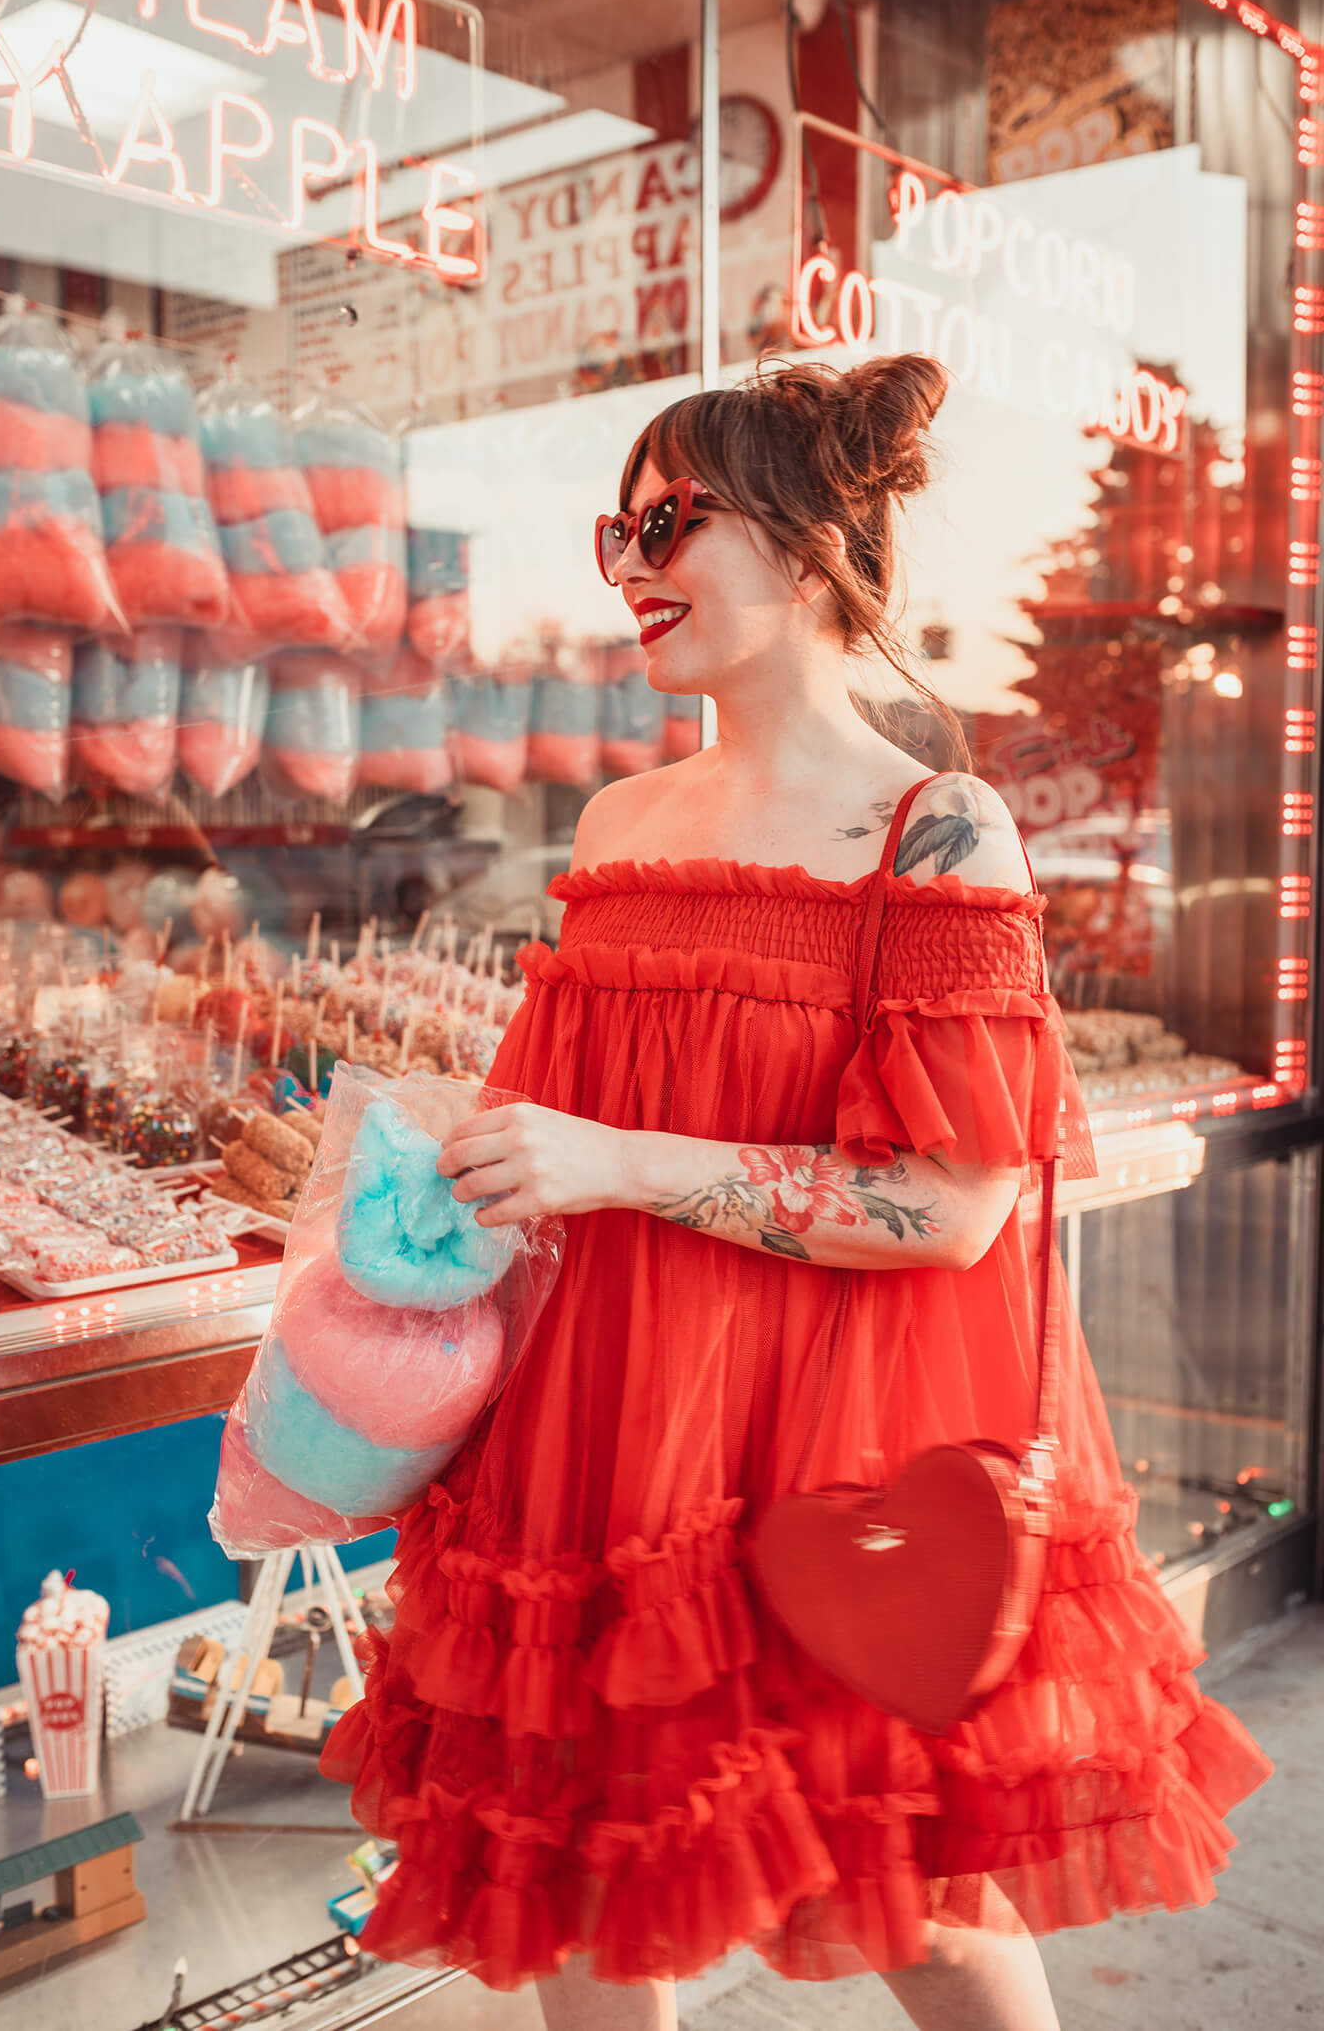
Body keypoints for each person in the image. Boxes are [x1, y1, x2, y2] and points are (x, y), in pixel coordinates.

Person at [321, 355, 1272, 2031]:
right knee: (597, 1885)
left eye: (668, 523)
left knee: (920, 1905)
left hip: (844, 1444)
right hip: (609, 1429)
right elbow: (559, 1123)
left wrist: (620, 1161)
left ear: (817, 547)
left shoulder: (938, 831)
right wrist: (448, 1155)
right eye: (617, 529)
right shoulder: (616, 822)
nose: (627, 569)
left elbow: (954, 1206)